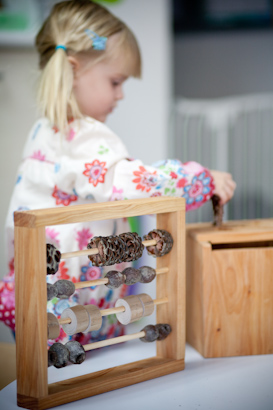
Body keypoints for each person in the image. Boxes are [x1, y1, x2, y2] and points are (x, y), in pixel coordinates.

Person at [0, 0, 236, 345]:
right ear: (73, 69)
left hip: (41, 298)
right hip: (70, 308)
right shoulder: (84, 136)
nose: (121, 94)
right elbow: (137, 184)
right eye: (115, 81)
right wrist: (201, 179)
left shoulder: (42, 132)